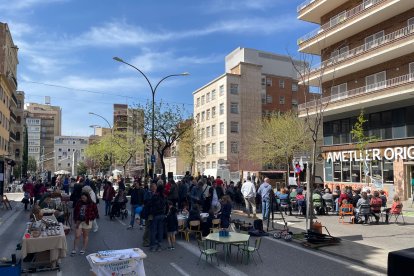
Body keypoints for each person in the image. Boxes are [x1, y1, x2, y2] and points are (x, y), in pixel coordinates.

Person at [148, 185, 166, 252]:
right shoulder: (164, 196)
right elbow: (166, 205)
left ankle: (152, 246)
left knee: (153, 231)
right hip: (162, 215)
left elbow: (150, 204)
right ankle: (159, 246)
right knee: (160, 231)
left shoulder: (155, 196)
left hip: (155, 215)